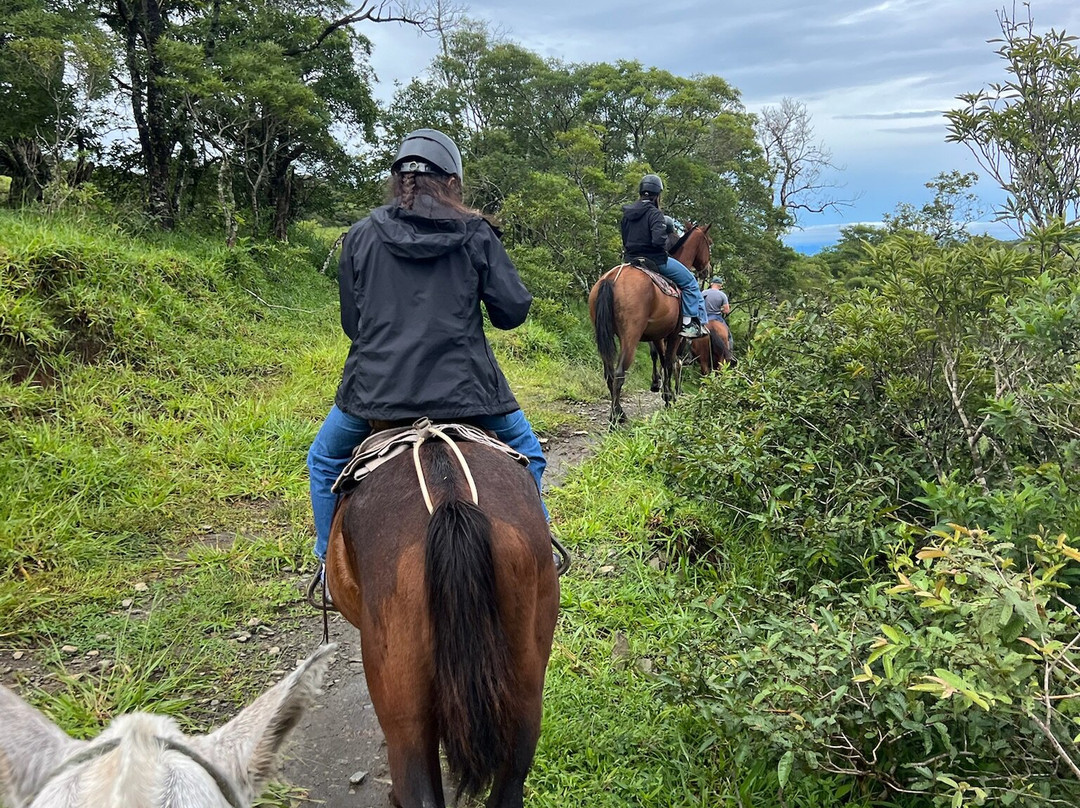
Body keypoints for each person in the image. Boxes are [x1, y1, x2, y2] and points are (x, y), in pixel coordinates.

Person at [305, 127, 547, 594]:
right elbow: (512, 312)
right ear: (452, 182)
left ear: (399, 180)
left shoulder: (360, 235)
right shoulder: (476, 233)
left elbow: (353, 326)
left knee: (325, 459)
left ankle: (326, 567)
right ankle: (541, 547)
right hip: (468, 394)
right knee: (530, 455)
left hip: (377, 393)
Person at [620, 174, 707, 338]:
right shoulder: (655, 214)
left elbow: (625, 239)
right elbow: (658, 240)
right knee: (690, 282)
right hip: (654, 260)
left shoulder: (627, 213)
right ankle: (689, 324)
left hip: (631, 260)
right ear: (657, 195)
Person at [703, 275, 734, 351]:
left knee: (692, 335)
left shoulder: (704, 293)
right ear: (720, 285)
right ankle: (730, 354)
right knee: (729, 336)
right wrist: (720, 309)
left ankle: (689, 356)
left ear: (711, 284)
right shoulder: (722, 295)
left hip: (704, 318)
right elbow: (726, 311)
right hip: (717, 318)